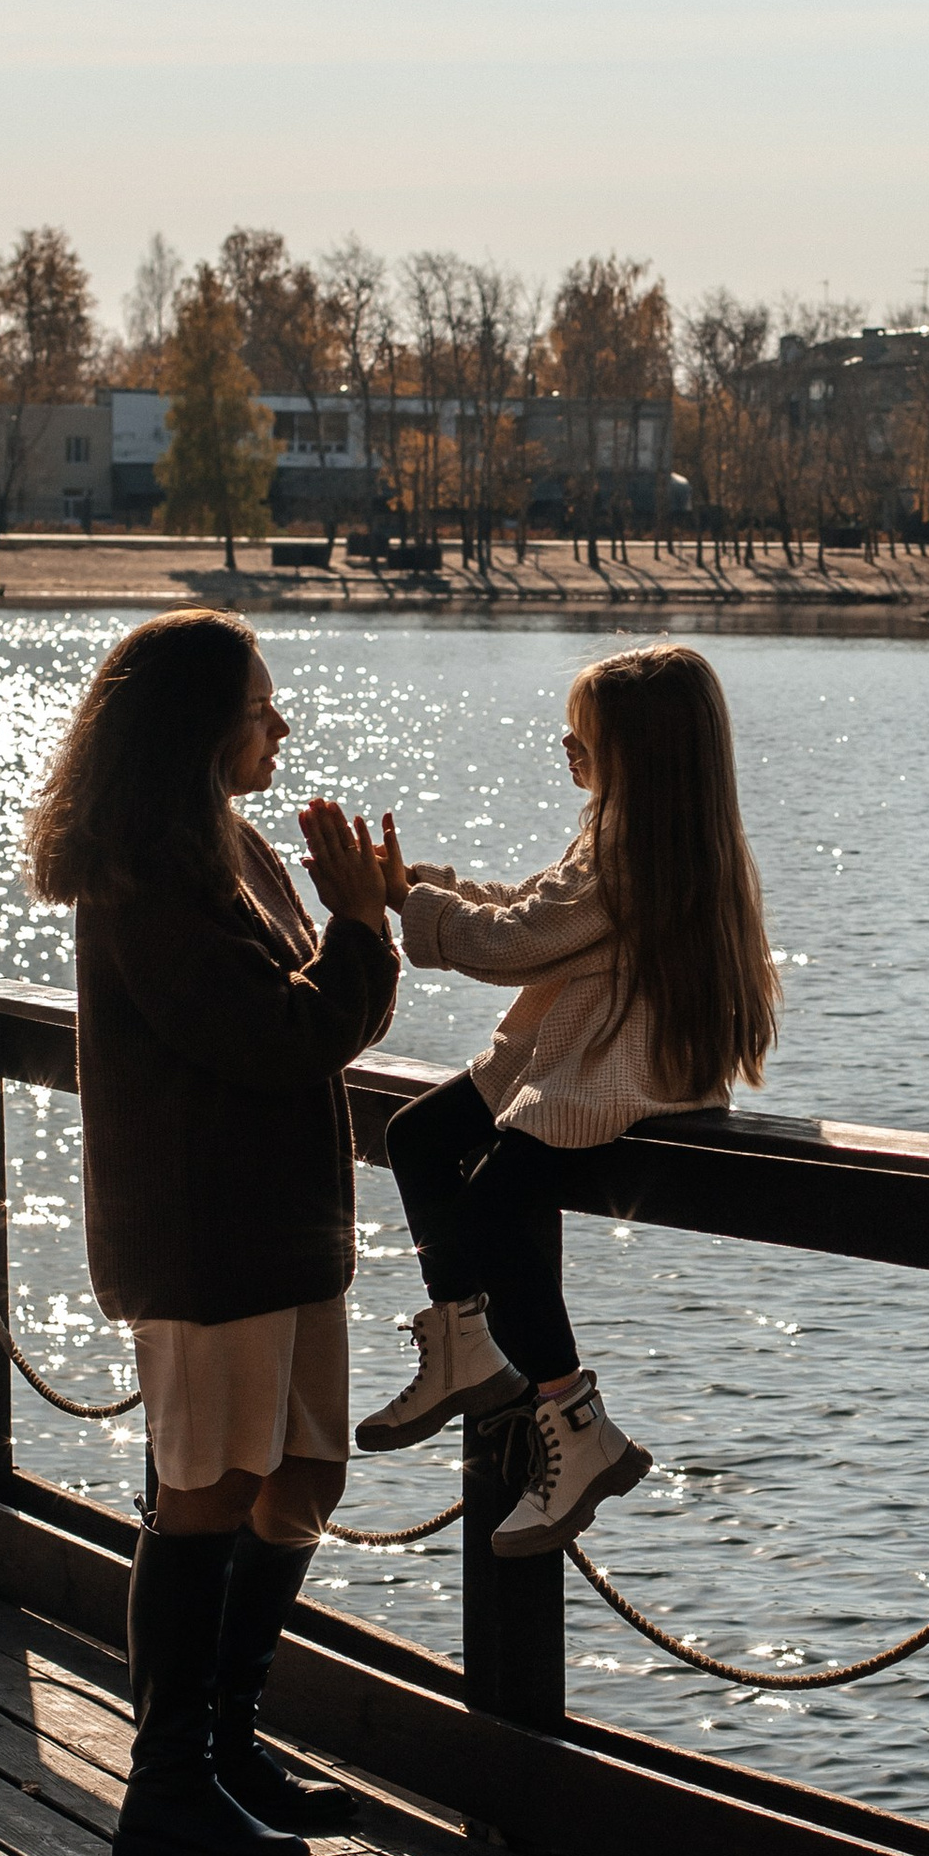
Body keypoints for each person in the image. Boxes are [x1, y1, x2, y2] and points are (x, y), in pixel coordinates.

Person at [23, 611, 398, 1856]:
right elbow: (274, 1035)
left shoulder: (228, 845)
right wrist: (360, 927)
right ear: (198, 724)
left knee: (300, 1477)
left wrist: (355, 922)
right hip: (205, 1233)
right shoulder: (146, 865)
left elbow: (304, 1020)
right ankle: (167, 1785)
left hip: (284, 1229)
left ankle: (228, 1747)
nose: (279, 725)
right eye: (259, 706)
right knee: (209, 1490)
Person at [357, 642, 780, 1558]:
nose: (565, 746)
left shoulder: (640, 850)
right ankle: (466, 1344)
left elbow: (517, 943)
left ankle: (573, 1419)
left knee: (500, 1203)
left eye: (583, 734)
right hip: (568, 1055)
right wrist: (416, 892)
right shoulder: (623, 834)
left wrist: (410, 911)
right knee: (419, 1139)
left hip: (614, 1073)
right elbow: (532, 909)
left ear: (643, 749)